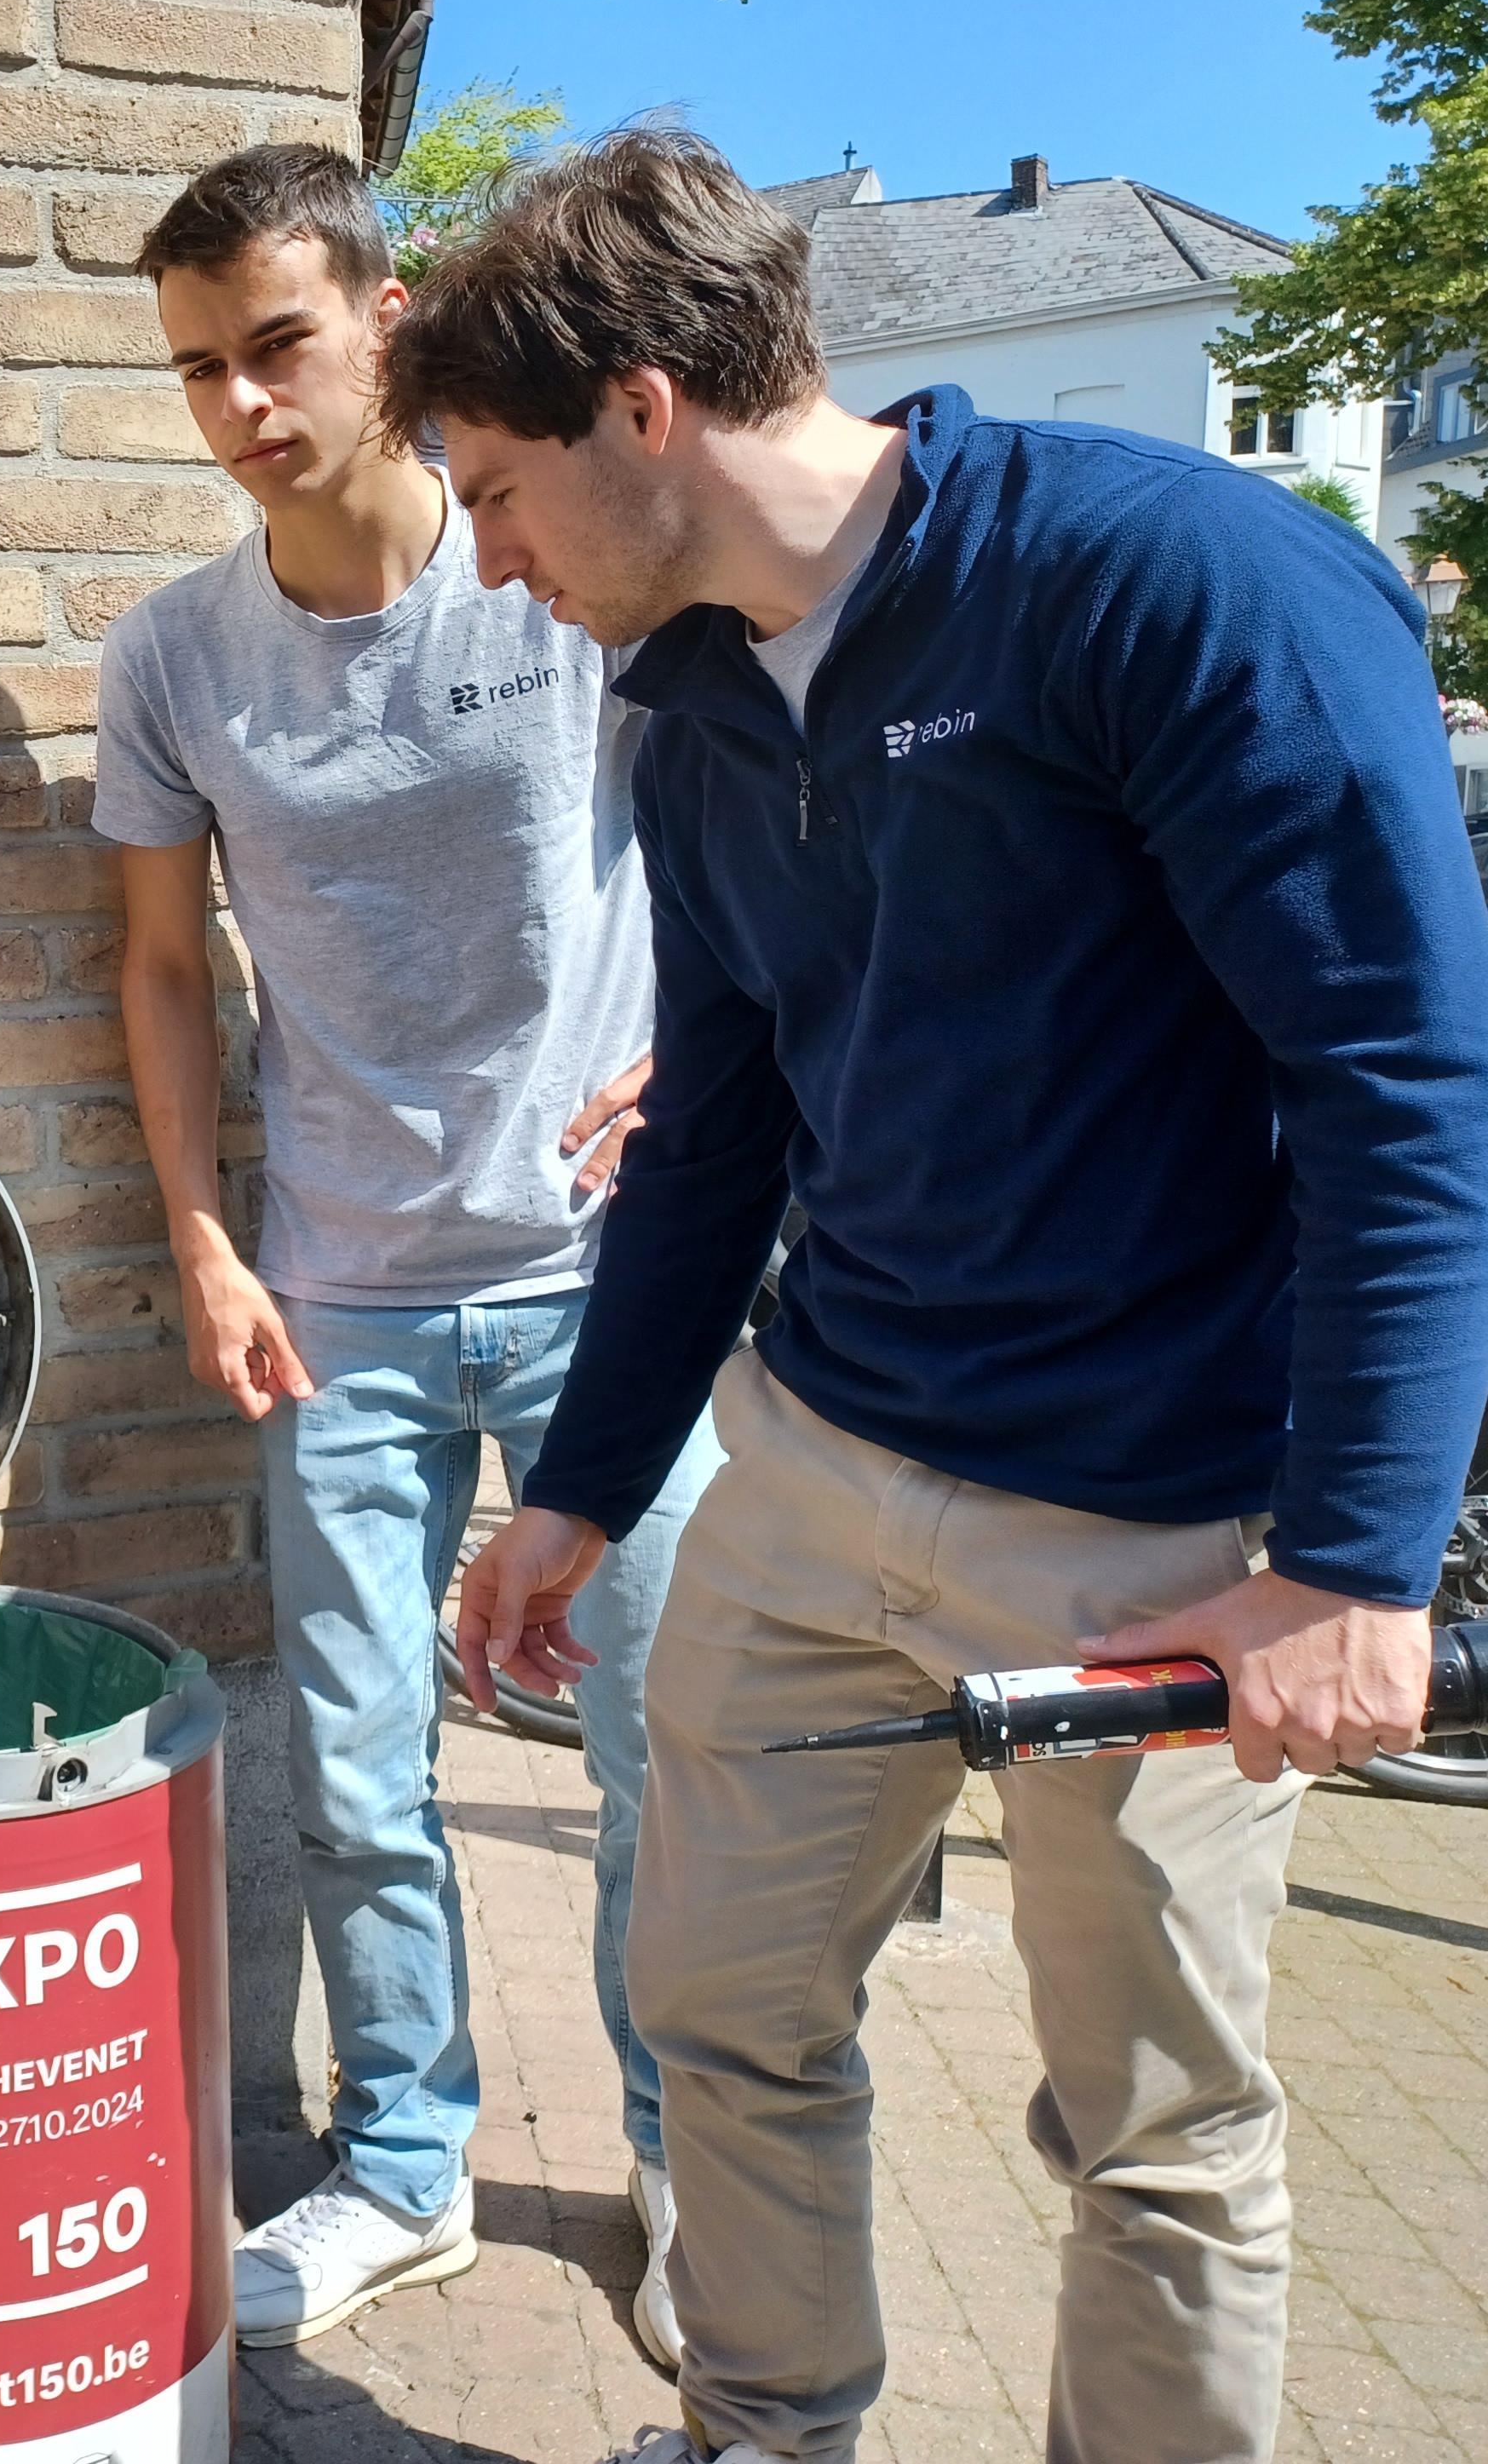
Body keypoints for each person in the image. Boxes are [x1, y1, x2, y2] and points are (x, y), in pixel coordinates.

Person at [407, 135, 1488, 2464]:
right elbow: (714, 1136)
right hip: (813, 1473)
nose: (484, 558)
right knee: (719, 2006)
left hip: (1153, 1535)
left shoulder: (1169, 583)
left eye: (492, 492)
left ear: (640, 408)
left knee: (1153, 2130)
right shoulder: (691, 707)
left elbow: (1400, 1078)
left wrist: (1354, 1562)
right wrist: (581, 1489)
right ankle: (762, 2428)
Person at [93, 141, 718, 2356]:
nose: (243, 405)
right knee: (360, 1769)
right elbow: (161, 969)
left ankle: (685, 2163)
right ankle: (401, 2166)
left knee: (660, 1759)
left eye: (276, 343)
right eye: (198, 369)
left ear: (381, 315)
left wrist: (723, 1064)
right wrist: (204, 1237)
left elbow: (749, 836)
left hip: (602, 1281)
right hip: (336, 1298)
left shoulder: (556, 575)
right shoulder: (176, 657)